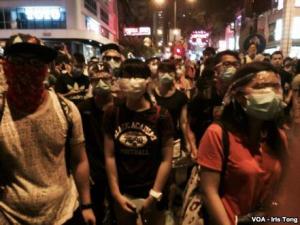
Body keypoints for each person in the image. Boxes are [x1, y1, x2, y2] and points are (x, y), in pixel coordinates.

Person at [0, 33, 95, 225]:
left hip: (63, 214)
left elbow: (79, 160)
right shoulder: (1, 110)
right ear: (5, 65)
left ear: (44, 69)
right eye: (19, 61)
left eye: (35, 62)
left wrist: (86, 205)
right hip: (10, 217)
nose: (27, 69)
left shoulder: (66, 109)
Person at [197, 62, 288, 225]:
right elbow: (209, 191)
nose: (271, 93)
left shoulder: (279, 136)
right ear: (239, 96)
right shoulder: (217, 134)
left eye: (276, 86)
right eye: (261, 86)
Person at [103, 59, 173, 225]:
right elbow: (110, 156)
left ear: (148, 81)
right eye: (127, 76)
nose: (132, 81)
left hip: (153, 190)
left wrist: (154, 195)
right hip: (123, 192)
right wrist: (116, 194)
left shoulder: (161, 115)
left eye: (138, 76)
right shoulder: (112, 113)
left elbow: (166, 159)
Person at [187, 50, 241, 159]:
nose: (232, 68)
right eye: (226, 64)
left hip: (233, 154)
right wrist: (193, 148)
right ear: (216, 70)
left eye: (236, 64)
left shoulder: (243, 96)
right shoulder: (204, 95)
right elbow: (190, 124)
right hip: (206, 152)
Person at [78, 70, 114, 224]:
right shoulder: (83, 108)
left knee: (117, 206)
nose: (101, 83)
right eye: (96, 80)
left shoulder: (120, 106)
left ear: (112, 80)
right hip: (94, 167)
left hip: (116, 165)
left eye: (105, 79)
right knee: (96, 208)